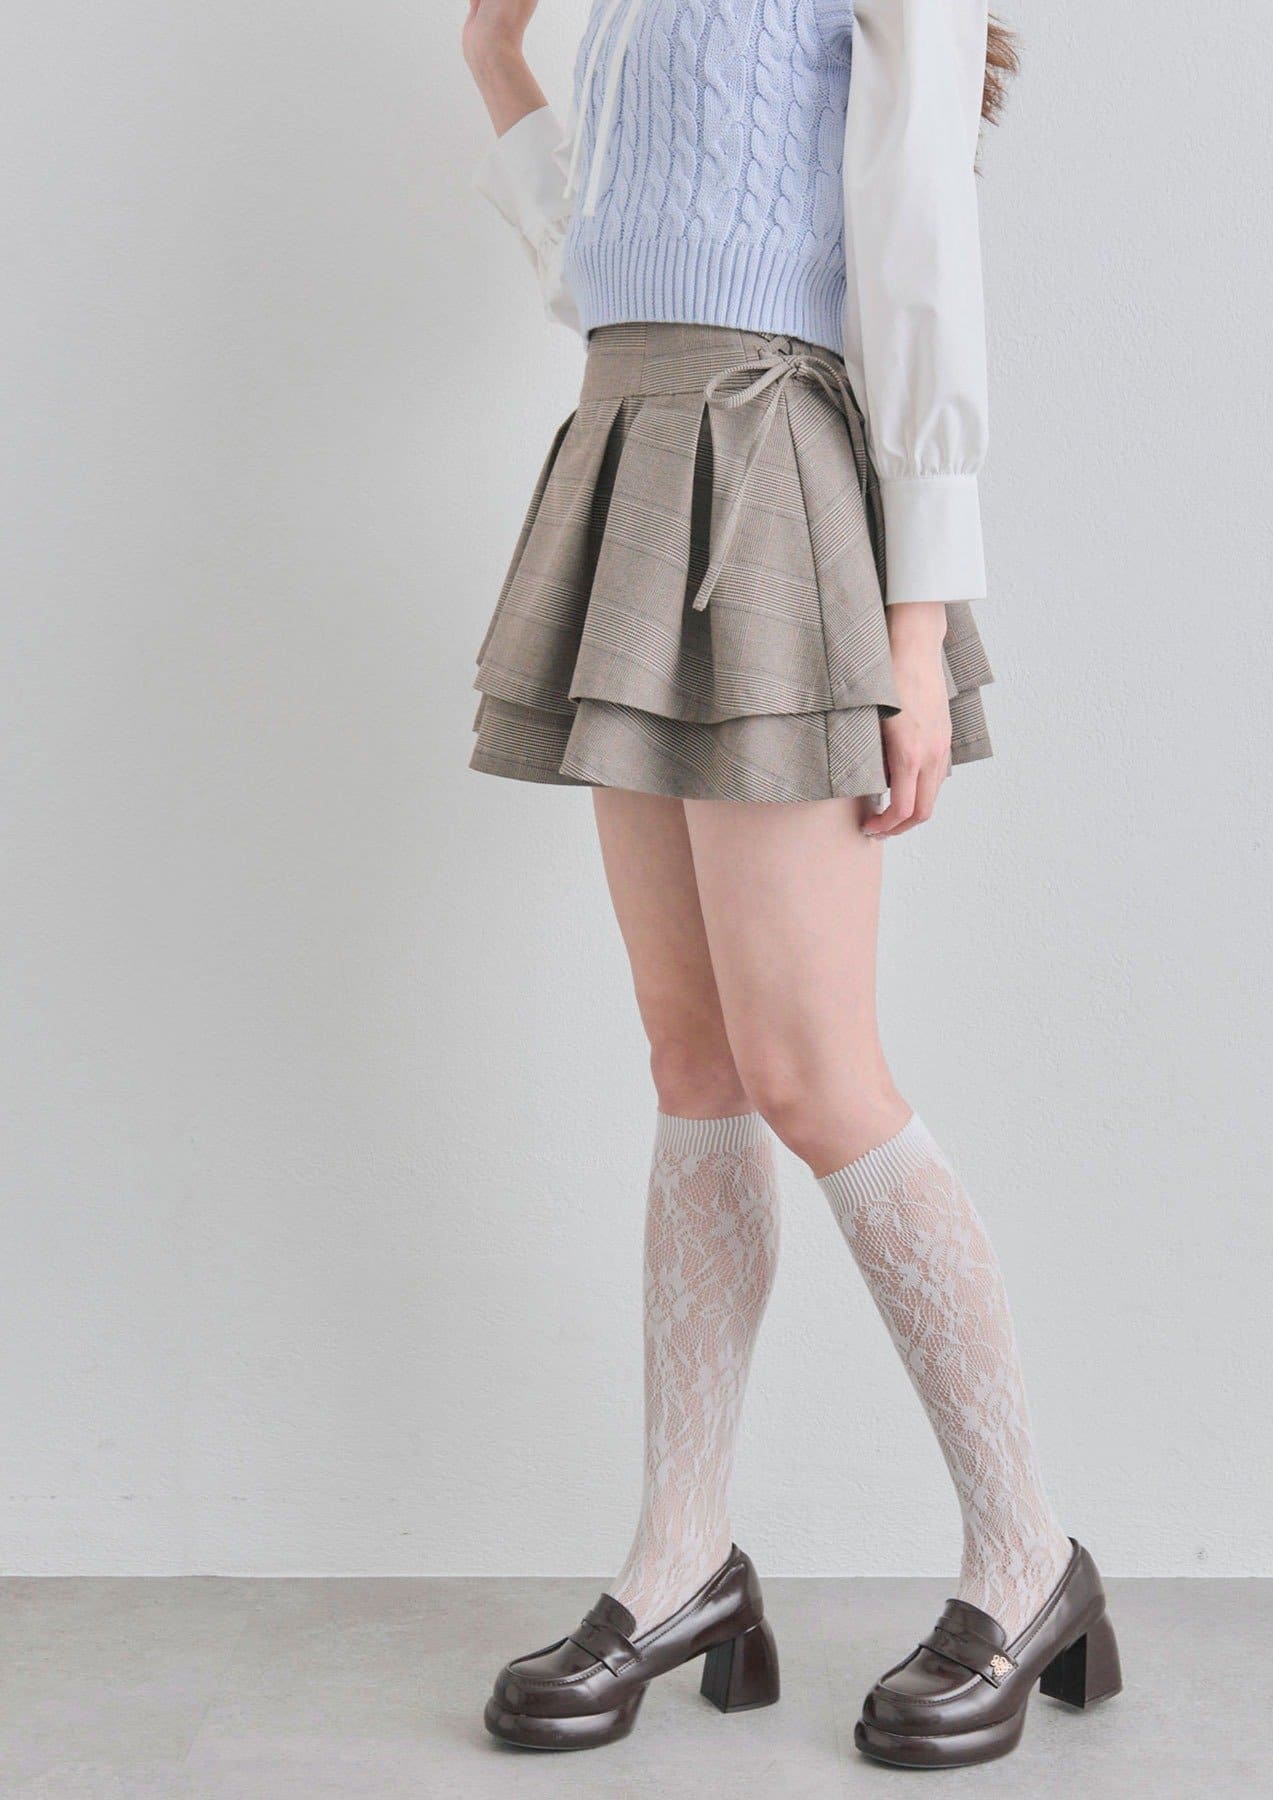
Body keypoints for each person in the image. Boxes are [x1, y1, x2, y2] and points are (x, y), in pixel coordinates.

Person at [460, 0, 1120, 1769]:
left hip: (772, 481)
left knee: (817, 1074)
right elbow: (603, 265)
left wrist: (915, 625)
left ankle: (1028, 1554)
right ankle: (682, 1556)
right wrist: (495, 56)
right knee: (693, 1066)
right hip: (631, 456)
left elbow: (918, 249)